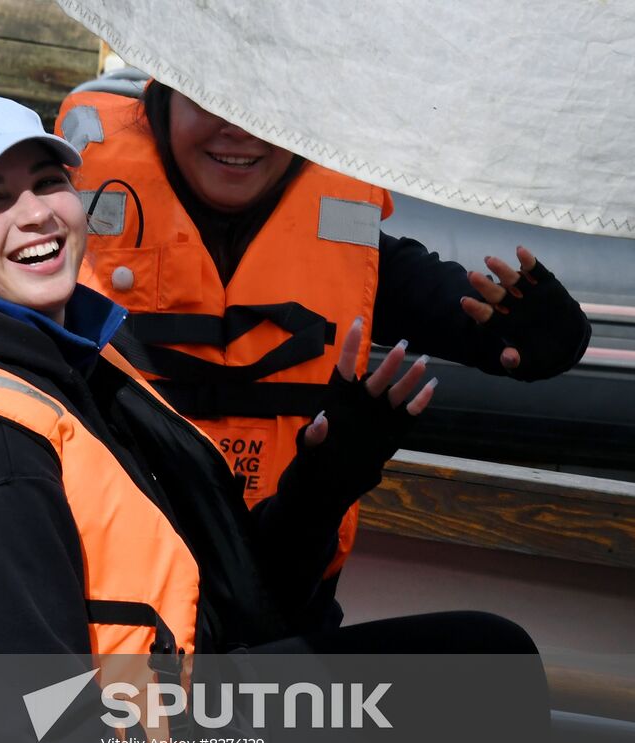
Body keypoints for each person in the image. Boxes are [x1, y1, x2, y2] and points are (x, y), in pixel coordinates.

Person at [0, 94, 564, 743]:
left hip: (165, 710)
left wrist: (338, 463)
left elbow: (244, 602)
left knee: (485, 667)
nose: (36, 213)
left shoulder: (71, 367)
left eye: (47, 184)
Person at [54, 82, 592, 627]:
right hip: (114, 637)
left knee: (496, 658)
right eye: (210, 98)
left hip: (270, 619)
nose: (238, 128)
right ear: (163, 103)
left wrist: (552, 336)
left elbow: (497, 335)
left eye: (261, 102)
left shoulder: (352, 254)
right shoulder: (53, 244)